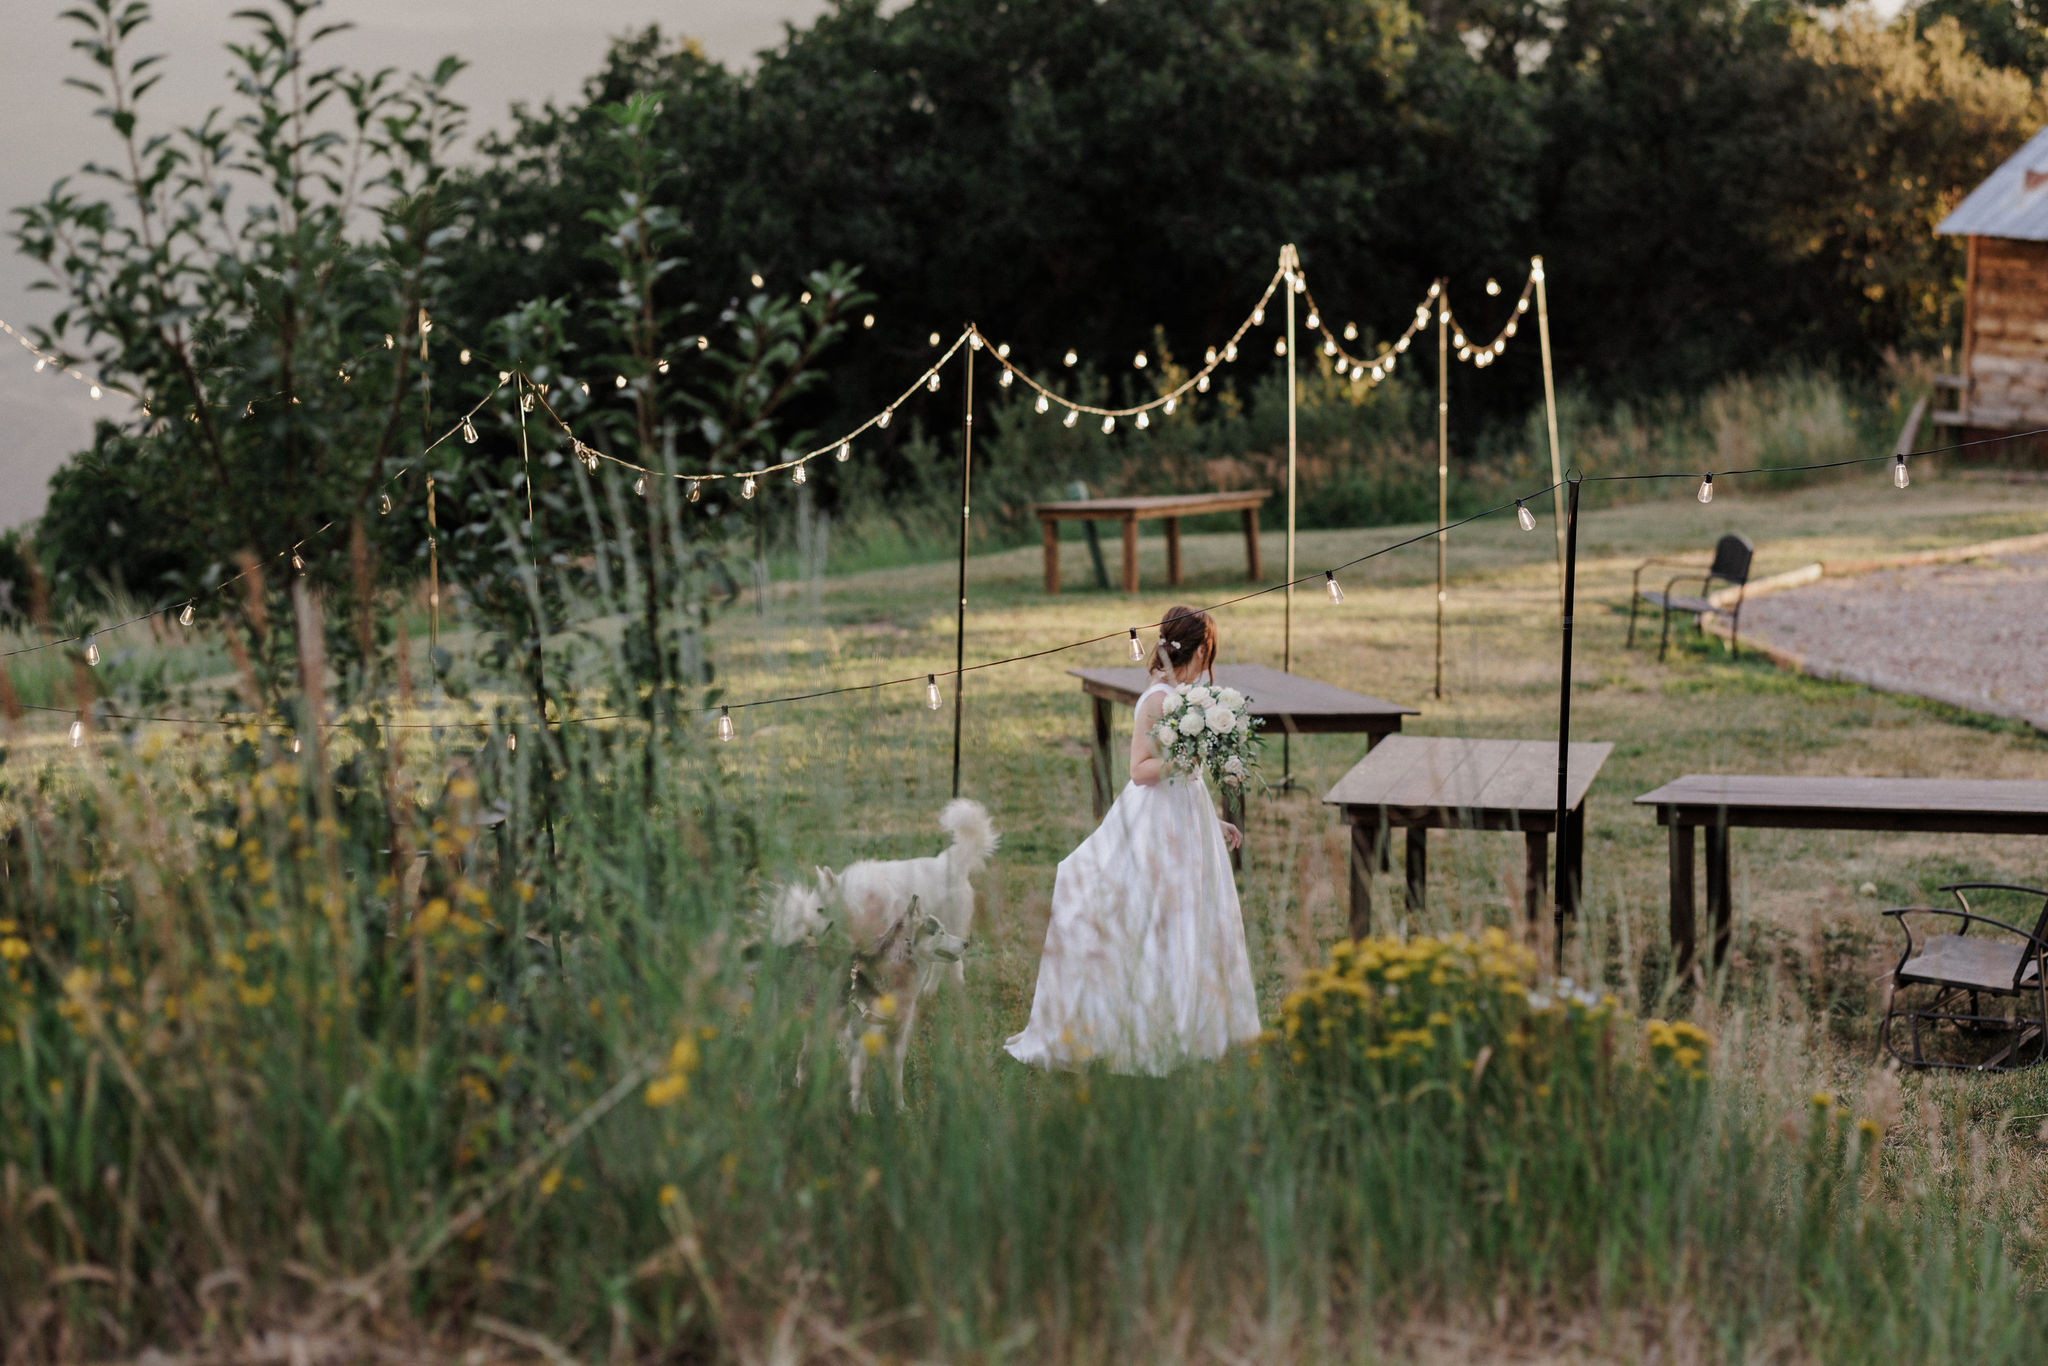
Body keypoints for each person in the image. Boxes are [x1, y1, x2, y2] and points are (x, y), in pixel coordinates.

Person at [1005, 605, 1261, 1074]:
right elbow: (1140, 770)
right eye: (1210, 651)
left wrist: (1211, 821)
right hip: (1153, 819)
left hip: (1181, 814)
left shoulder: (1183, 698)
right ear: (1201, 650)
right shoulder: (1157, 700)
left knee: (1188, 914)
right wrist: (1180, 765)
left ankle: (1190, 1018)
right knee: (1158, 912)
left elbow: (1188, 777)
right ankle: (1148, 1021)